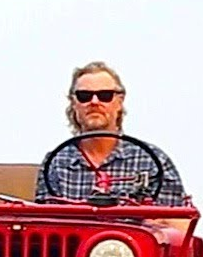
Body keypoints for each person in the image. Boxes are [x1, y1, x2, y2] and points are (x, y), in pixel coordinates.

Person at [36, 61, 187, 206]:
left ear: (120, 102)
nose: (94, 102)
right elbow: (43, 223)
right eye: (84, 96)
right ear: (74, 103)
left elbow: (176, 223)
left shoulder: (152, 161)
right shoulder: (56, 162)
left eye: (105, 95)